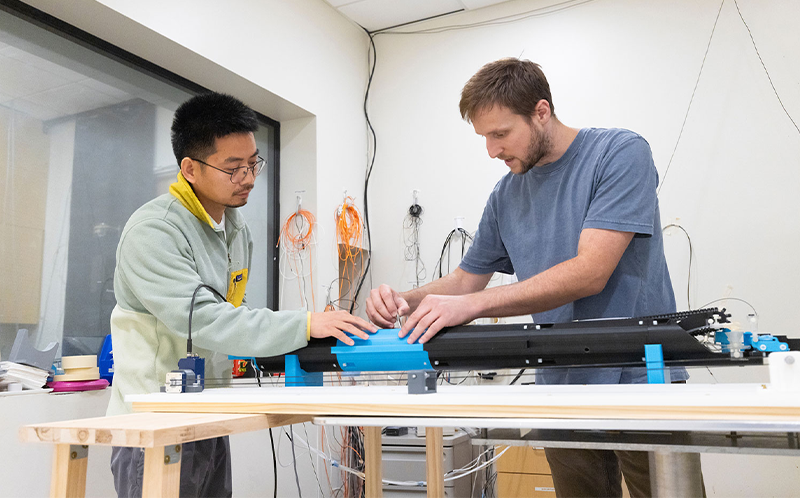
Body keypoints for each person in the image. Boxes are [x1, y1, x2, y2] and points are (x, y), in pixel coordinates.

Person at [366, 58, 698, 498]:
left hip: (641, 380)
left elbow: (590, 272)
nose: (491, 150)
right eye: (484, 137)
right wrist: (403, 302)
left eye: (500, 134)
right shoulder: (506, 194)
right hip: (561, 388)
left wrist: (475, 306)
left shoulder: (620, 153)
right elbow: (468, 279)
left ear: (541, 112)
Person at [107, 92, 375, 498]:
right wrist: (304, 323)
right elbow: (204, 318)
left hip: (210, 415)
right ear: (190, 168)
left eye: (253, 164)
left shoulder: (235, 228)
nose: (248, 178)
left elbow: (236, 310)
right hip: (154, 420)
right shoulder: (154, 231)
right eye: (233, 168)